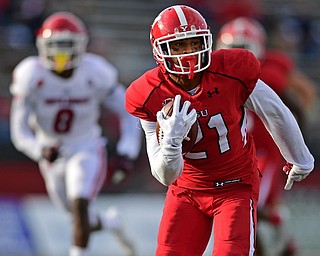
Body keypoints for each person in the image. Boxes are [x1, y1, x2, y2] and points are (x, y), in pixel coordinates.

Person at [125, 5, 314, 255]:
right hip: (186, 191)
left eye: (193, 43)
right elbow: (165, 176)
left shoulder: (231, 71)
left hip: (234, 186)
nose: (188, 54)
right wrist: (171, 142)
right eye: (179, 46)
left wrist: (300, 157)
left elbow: (275, 110)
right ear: (160, 50)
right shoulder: (148, 93)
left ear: (207, 41)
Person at [10, 11, 141, 256]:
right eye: (55, 46)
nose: (60, 53)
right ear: (42, 46)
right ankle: (112, 223)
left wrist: (127, 151)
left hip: (86, 146)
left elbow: (129, 112)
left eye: (66, 45)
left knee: (79, 202)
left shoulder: (95, 72)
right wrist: (39, 149)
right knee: (78, 216)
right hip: (51, 153)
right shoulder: (31, 74)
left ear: (81, 46)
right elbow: (19, 130)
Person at [216, 17, 317, 256]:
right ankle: (279, 227)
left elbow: (301, 99)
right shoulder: (213, 72)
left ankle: (278, 231)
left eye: (243, 47)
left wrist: (292, 142)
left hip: (262, 153)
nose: (236, 54)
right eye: (231, 48)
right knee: (240, 212)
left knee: (245, 209)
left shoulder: (268, 72)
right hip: (233, 154)